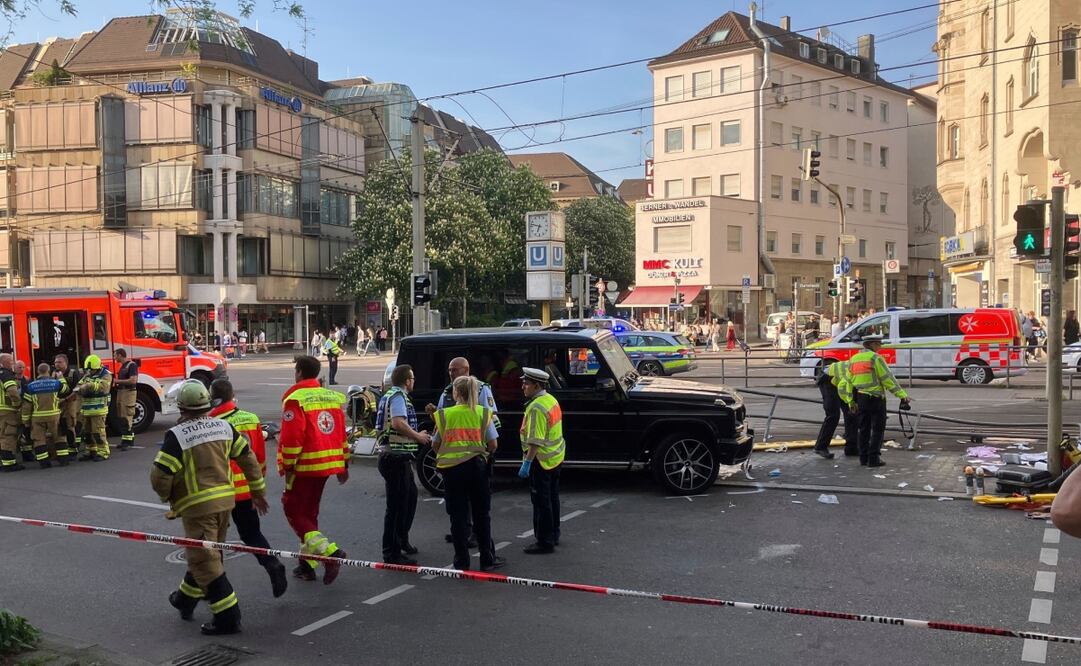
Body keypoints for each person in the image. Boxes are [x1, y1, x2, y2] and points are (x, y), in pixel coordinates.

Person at [152, 380, 266, 635]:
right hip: (226, 502)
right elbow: (248, 458)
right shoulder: (225, 426)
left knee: (205, 560)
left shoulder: (177, 436)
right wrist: (257, 491)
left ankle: (228, 617)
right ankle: (185, 599)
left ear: (181, 407)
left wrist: (168, 497)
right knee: (208, 555)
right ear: (207, 404)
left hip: (197, 507)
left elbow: (159, 476)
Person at [209, 378, 288, 597]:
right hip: (246, 490)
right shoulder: (251, 419)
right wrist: (257, 490)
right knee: (251, 534)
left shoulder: (210, 423)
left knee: (213, 541)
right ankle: (271, 563)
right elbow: (259, 458)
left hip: (220, 492)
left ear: (213, 398)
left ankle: (216, 587)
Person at [278, 355, 350, 584]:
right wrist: (344, 464)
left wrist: (287, 465)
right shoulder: (331, 397)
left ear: (299, 372)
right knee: (309, 514)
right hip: (328, 464)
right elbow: (341, 433)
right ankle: (307, 565)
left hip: (304, 466)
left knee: (294, 511)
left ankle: (330, 554)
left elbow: (292, 438)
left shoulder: (295, 399)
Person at [425, 356, 500, 548]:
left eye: (455, 370)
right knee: (460, 507)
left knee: (477, 506)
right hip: (455, 460)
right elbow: (442, 422)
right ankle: (464, 534)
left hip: (475, 456)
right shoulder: (446, 391)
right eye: (450, 370)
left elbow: (490, 418)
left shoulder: (482, 388)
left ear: (466, 370)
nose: (451, 373)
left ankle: (474, 535)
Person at [374, 365, 430, 565]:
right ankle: (392, 553)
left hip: (397, 456)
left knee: (410, 498)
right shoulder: (398, 396)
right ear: (407, 380)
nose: (414, 381)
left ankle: (401, 540)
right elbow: (398, 422)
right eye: (412, 378)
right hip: (394, 457)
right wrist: (418, 437)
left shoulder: (391, 394)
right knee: (396, 506)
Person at [518, 368, 565, 555]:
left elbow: (535, 441)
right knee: (552, 498)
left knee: (541, 502)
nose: (523, 386)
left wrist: (527, 464)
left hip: (541, 462)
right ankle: (554, 533)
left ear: (537, 385)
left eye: (526, 383)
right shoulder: (551, 400)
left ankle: (544, 541)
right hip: (555, 458)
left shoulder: (536, 407)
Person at [848, 334, 912, 468]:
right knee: (877, 429)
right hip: (875, 399)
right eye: (878, 344)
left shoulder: (853, 359)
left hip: (860, 397)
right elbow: (887, 379)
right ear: (872, 344)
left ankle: (863, 458)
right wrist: (902, 395)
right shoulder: (875, 358)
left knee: (864, 428)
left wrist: (851, 402)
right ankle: (873, 459)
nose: (880, 346)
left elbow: (849, 381)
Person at [812, 359, 859, 460]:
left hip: (838, 380)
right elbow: (843, 387)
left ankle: (852, 448)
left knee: (852, 414)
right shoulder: (858, 373)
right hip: (828, 380)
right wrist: (850, 402)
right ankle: (820, 447)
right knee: (833, 415)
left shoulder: (865, 374)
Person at [25, 363, 63, 468]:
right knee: (59, 437)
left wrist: (26, 421)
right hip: (54, 416)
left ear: (38, 371)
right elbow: (65, 390)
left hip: (38, 417)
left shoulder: (30, 386)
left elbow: (27, 406)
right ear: (49, 371)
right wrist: (61, 378)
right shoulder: (56, 383)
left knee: (39, 439)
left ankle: (44, 463)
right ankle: (63, 460)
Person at [76, 354, 112, 461]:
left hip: (98, 409)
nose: (89, 372)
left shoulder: (106, 375)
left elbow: (104, 388)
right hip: (86, 410)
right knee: (87, 433)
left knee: (98, 432)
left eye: (91, 370)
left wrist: (89, 386)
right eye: (88, 369)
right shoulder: (88, 375)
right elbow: (79, 385)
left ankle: (103, 452)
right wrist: (81, 388)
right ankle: (91, 451)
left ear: (97, 368)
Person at [53, 354, 82, 460]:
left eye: (59, 362)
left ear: (66, 363)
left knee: (70, 425)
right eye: (56, 362)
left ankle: (73, 450)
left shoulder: (73, 373)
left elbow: (77, 390)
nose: (57, 364)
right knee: (61, 425)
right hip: (59, 403)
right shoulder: (54, 374)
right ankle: (64, 450)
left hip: (71, 402)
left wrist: (65, 400)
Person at [0, 354, 24, 471]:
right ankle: (9, 464)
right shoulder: (6, 374)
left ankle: (4, 462)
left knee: (1, 435)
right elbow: (12, 392)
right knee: (8, 436)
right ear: (4, 363)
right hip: (6, 410)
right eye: (11, 361)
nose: (13, 363)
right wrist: (18, 404)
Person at [112, 348, 139, 451]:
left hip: (128, 393)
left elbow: (133, 380)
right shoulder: (123, 366)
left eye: (115, 355)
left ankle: (127, 442)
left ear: (120, 355)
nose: (114, 357)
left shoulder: (131, 365)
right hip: (122, 393)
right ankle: (127, 440)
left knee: (126, 417)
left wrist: (117, 381)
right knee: (121, 416)